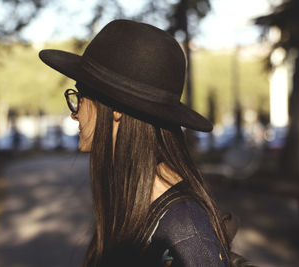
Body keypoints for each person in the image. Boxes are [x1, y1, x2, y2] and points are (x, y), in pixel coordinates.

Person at [39, 19, 231, 267]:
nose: (74, 113)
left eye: (81, 95)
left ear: (115, 108)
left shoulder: (184, 238)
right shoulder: (137, 203)